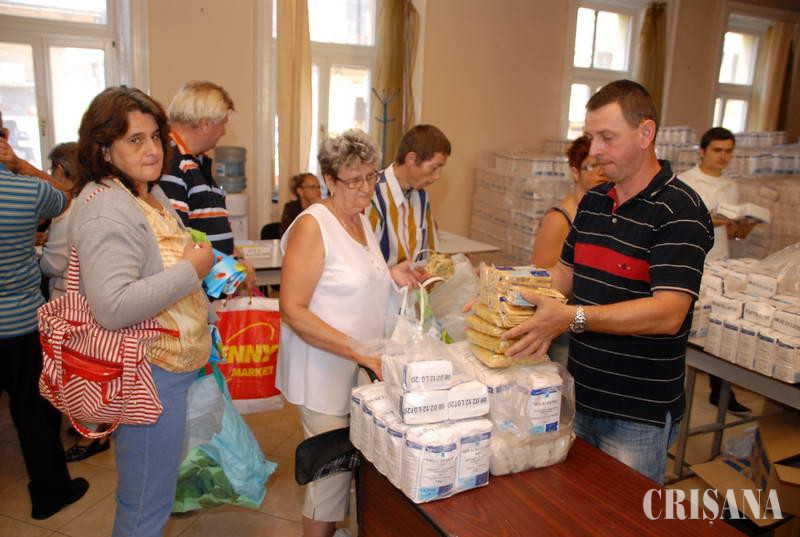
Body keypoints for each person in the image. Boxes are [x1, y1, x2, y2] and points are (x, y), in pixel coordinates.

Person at [504, 80, 714, 484]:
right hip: (581, 396)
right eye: (591, 137)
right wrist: (505, 289)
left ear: (645, 133)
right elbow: (564, 274)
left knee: (621, 514)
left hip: (637, 414)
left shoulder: (680, 211)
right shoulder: (595, 202)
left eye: (607, 137)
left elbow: (668, 314)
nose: (596, 150)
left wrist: (572, 318)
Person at [69, 86, 214, 536]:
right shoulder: (106, 209)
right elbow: (113, 307)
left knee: (154, 491)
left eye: (155, 137)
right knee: (146, 503)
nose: (152, 149)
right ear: (104, 149)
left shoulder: (146, 193)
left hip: (167, 367)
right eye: (135, 139)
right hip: (146, 374)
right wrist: (191, 271)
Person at [279, 129, 423, 537]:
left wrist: (394, 275)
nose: (365, 188)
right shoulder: (314, 226)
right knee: (329, 481)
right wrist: (357, 349)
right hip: (323, 371)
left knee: (349, 472)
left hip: (358, 367)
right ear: (329, 179)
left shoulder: (360, 219)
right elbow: (292, 309)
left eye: (371, 177)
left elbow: (355, 279)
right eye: (353, 180)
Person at [0, 111, 89, 519]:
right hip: (21, 324)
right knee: (35, 416)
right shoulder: (26, 189)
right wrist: (20, 165)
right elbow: (66, 196)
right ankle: (51, 493)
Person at [680, 127, 754, 416]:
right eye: (717, 150)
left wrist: (743, 227)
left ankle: (720, 390)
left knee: (717, 328)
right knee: (685, 327)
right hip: (691, 262)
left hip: (720, 263)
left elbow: (734, 234)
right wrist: (707, 220)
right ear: (702, 151)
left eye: (728, 151)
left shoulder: (731, 187)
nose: (723, 157)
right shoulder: (686, 182)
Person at [158, 80, 236, 255]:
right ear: (206, 124)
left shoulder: (196, 160)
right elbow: (176, 235)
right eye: (223, 123)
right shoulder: (171, 161)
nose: (224, 132)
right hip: (198, 270)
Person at [368, 124, 451, 266]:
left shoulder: (421, 196)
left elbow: (433, 256)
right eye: (434, 168)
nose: (437, 176)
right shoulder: (372, 194)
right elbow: (366, 264)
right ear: (411, 158)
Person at [532, 135, 607, 267]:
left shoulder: (602, 212)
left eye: (605, 165)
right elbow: (541, 273)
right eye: (593, 166)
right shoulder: (558, 220)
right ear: (575, 173)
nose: (601, 172)